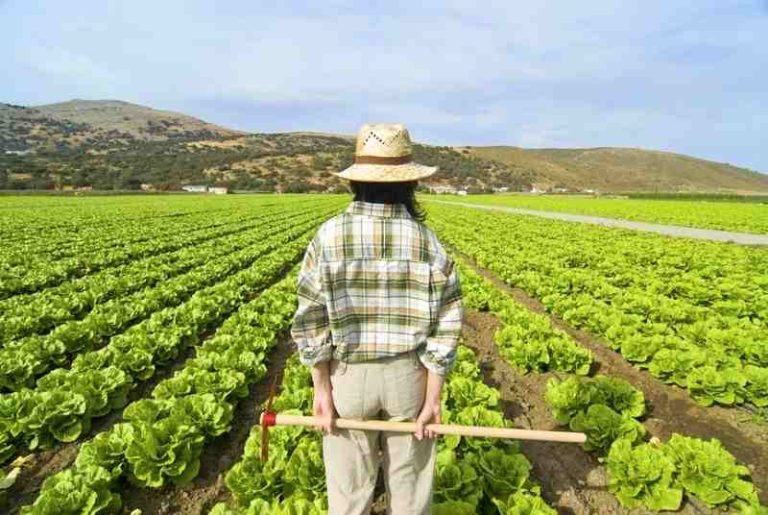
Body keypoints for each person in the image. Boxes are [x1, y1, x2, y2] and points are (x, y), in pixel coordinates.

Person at [290, 123, 463, 515]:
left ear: (356, 182)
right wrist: (433, 397)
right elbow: (448, 323)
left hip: (348, 377)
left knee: (349, 495)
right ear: (409, 183)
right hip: (408, 377)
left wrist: (321, 387)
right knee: (411, 492)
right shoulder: (427, 241)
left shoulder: (329, 236)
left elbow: (310, 319)